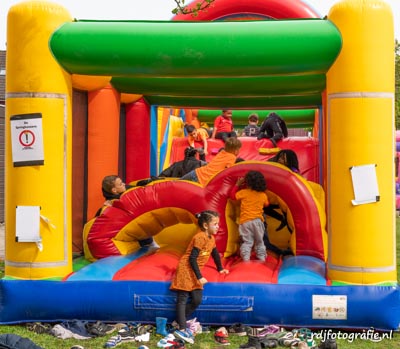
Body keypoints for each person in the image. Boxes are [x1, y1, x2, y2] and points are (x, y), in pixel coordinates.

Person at [170, 210, 229, 344]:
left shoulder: (211, 238)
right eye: (215, 224)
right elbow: (192, 258)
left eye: (218, 224)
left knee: (197, 299)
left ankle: (179, 320)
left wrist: (220, 268)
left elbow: (214, 253)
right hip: (186, 269)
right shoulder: (199, 237)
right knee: (182, 298)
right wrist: (200, 276)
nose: (217, 226)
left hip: (196, 270)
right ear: (206, 225)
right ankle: (182, 328)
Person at [97, 175, 160, 250]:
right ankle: (148, 242)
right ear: (114, 190)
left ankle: (148, 241)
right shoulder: (112, 202)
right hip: (128, 232)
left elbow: (133, 186)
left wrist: (148, 181)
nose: (124, 184)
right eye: (120, 184)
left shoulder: (123, 190)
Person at [230, 171, 269, 262]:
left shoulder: (244, 192)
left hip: (245, 222)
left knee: (247, 242)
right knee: (259, 241)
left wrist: (237, 185)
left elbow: (232, 196)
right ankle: (262, 258)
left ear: (247, 182)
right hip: (258, 222)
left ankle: (246, 259)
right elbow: (267, 204)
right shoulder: (263, 195)